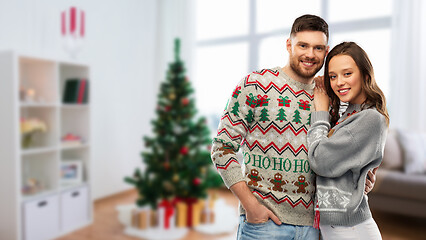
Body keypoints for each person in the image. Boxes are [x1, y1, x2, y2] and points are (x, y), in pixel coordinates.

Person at [211, 15, 376, 240]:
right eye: (303, 45)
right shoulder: (255, 85)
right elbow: (222, 149)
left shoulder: (330, 96)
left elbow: (336, 155)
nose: (310, 54)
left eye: (318, 48)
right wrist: (251, 206)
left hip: (315, 228)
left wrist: (362, 175)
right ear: (289, 45)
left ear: (326, 51)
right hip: (264, 224)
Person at [308, 41, 389, 240]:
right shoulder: (350, 113)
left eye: (347, 74)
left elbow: (320, 160)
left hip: (352, 229)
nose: (339, 82)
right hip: (339, 227)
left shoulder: (370, 118)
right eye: (333, 76)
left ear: (365, 75)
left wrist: (320, 113)